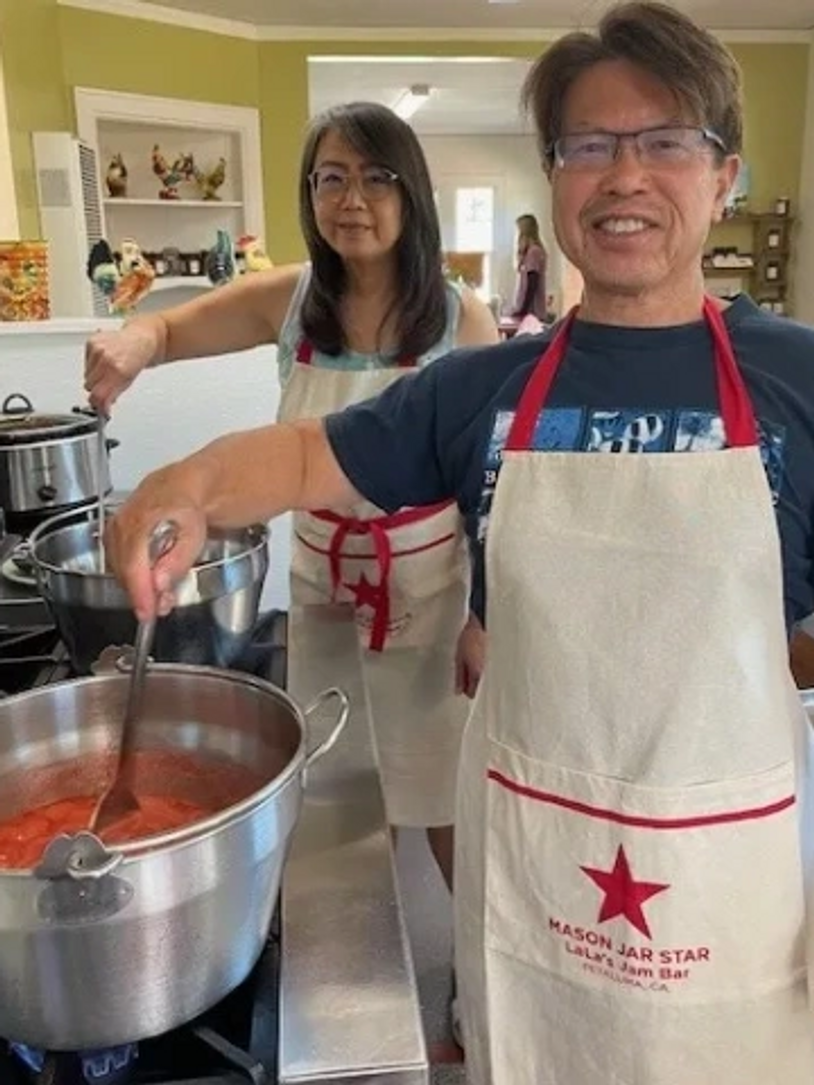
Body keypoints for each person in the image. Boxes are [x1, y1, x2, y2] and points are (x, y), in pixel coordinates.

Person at [102, 3, 814, 1081]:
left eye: (666, 141)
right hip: (540, 865)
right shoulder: (481, 390)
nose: (624, 175)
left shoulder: (797, 380)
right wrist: (186, 482)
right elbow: (304, 455)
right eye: (589, 146)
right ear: (555, 177)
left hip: (723, 876)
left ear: (723, 177)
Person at [84, 101, 498, 892]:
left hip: (432, 599)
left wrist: (485, 615)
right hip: (325, 594)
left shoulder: (460, 318)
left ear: (411, 193)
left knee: (445, 792)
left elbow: (494, 480)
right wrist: (134, 340)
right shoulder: (293, 301)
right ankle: (356, 947)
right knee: (342, 788)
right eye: (330, 179)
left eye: (377, 178)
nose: (352, 200)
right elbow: (167, 332)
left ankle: (474, 960)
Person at [511, 212, 548, 320]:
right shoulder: (528, 253)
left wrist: (523, 310)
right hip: (527, 310)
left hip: (532, 312)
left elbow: (532, 282)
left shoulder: (534, 252)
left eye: (519, 231)